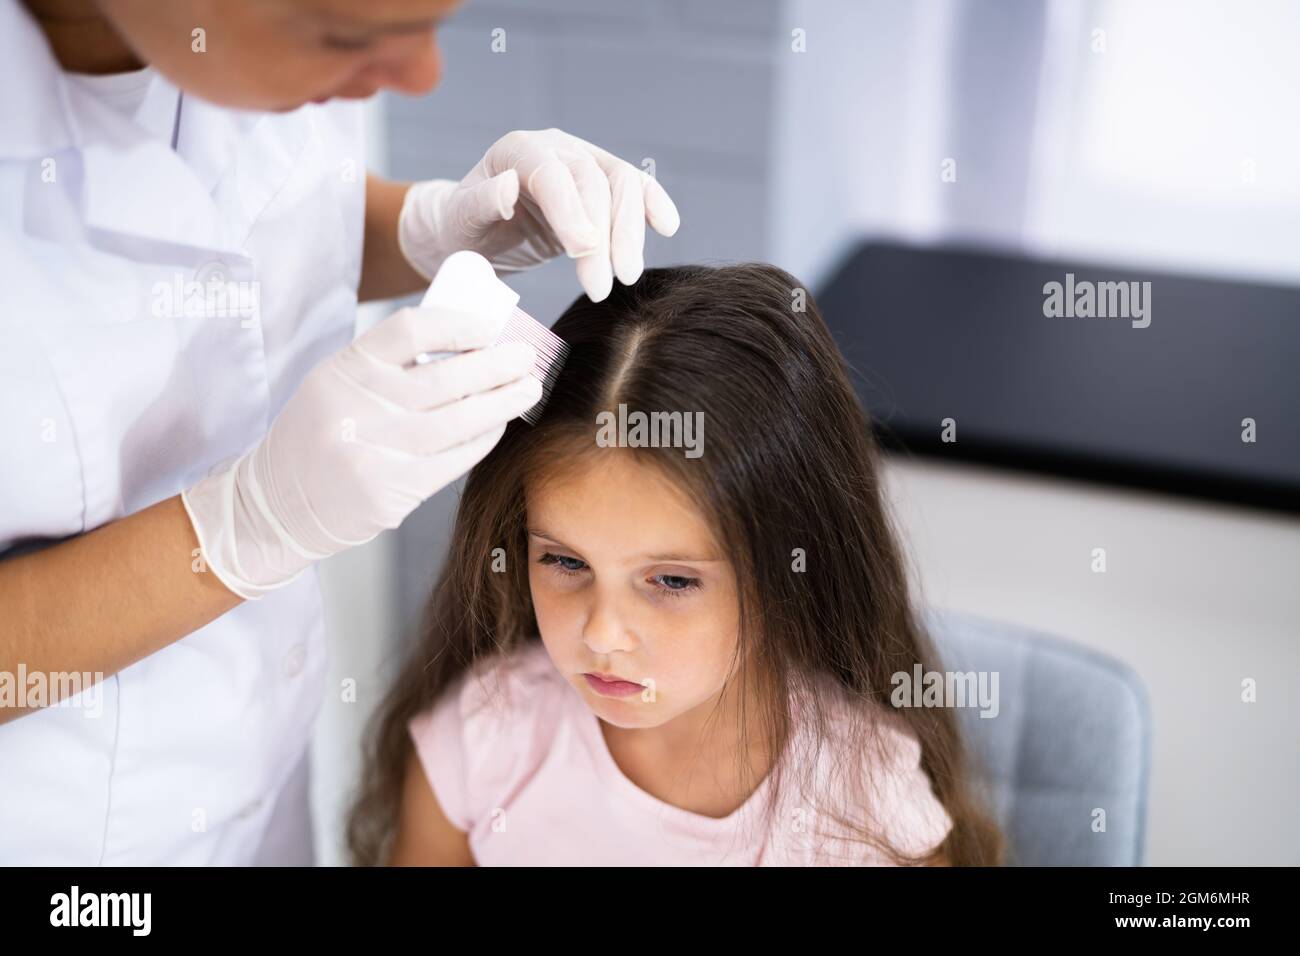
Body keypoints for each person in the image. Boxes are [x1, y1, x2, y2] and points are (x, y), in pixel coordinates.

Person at [0, 0, 679, 865]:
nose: (422, 76)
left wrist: (425, 228)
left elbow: (243, 220)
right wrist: (241, 529)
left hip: (261, 785)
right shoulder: (480, 748)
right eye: (344, 35)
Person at [348, 263, 1003, 865]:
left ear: (790, 572)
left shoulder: (864, 806)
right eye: (566, 562)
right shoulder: (486, 736)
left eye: (672, 580)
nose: (603, 633)